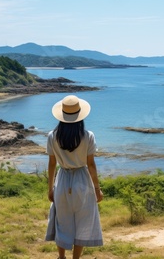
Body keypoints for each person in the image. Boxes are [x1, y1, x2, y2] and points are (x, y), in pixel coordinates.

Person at [45, 95, 104, 259]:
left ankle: (61, 256)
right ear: (80, 116)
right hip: (82, 180)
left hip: (62, 179)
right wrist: (98, 190)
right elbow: (91, 165)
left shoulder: (52, 136)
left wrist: (50, 189)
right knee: (83, 221)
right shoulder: (88, 136)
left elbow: (51, 164)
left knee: (62, 221)